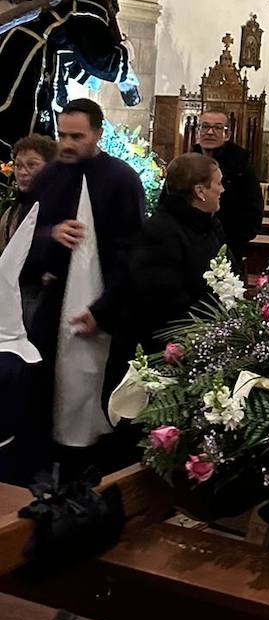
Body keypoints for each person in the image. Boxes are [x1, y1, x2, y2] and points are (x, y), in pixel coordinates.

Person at [21, 99, 145, 457]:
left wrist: (104, 310)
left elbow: (134, 255)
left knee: (102, 401)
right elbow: (25, 238)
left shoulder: (122, 180)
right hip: (55, 302)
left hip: (109, 307)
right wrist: (50, 234)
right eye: (63, 135)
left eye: (78, 136)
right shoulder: (49, 178)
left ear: (98, 133)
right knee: (49, 393)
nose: (68, 144)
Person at [127, 154, 225, 352]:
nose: (222, 189)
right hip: (175, 345)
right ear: (200, 191)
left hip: (211, 334)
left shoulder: (211, 225)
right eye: (218, 183)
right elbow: (164, 301)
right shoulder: (161, 231)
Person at [193, 110, 263, 273]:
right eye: (205, 127)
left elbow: (253, 211)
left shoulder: (242, 168)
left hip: (228, 247)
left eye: (217, 128)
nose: (210, 132)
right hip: (190, 245)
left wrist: (232, 243)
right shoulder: (186, 163)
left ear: (227, 134)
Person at [1, 134, 57, 247]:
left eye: (31, 165)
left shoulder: (63, 209)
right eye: (18, 165)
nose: (22, 172)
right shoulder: (10, 215)